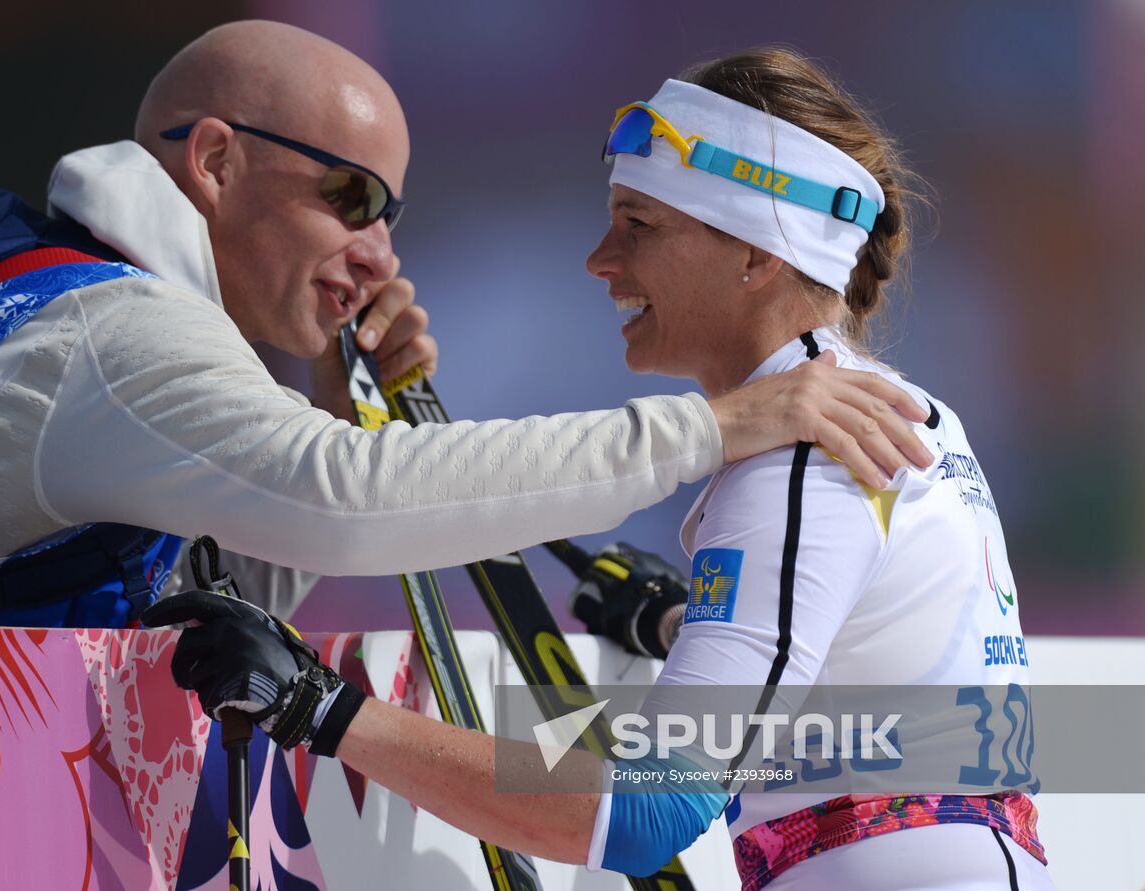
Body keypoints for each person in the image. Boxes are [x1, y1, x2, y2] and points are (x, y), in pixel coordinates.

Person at [145, 47, 1051, 890]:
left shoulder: (811, 452)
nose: (600, 260)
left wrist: (318, 708)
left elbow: (649, 808)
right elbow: (861, 684)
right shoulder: (879, 407)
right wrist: (673, 625)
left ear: (758, 254)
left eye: (639, 224)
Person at [0, 22, 932, 628]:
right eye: (351, 198)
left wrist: (336, 389)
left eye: (392, 213)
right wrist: (718, 425)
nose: (379, 251)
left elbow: (240, 589)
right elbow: (343, 500)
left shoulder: (84, 306)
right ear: (212, 162)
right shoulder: (111, 334)